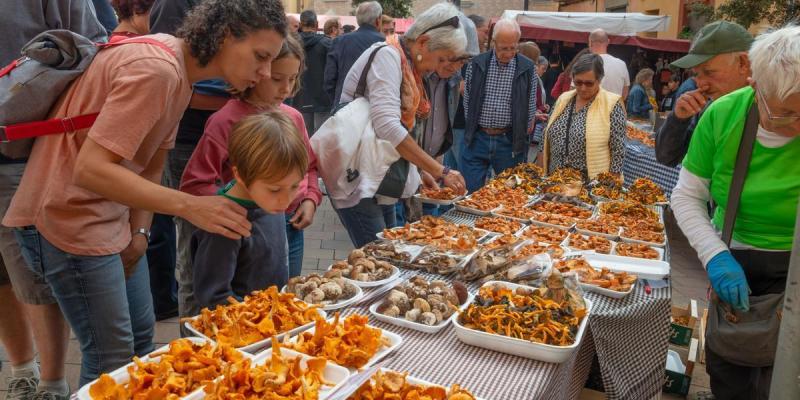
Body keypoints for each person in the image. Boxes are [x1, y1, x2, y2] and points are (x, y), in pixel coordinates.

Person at [3, 0, 288, 386]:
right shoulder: (157, 69)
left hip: (106, 219)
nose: (266, 72)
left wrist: (140, 233)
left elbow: (153, 161)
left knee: (139, 342)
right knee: (111, 358)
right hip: (64, 219)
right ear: (225, 37)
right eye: (261, 56)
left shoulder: (178, 72)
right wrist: (190, 206)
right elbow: (91, 169)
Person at [670, 26, 800, 399]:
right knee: (731, 374)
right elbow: (687, 196)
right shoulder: (723, 115)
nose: (795, 125)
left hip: (793, 266)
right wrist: (715, 256)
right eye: (785, 113)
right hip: (735, 257)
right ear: (755, 86)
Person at [0, 2, 105, 399]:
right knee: (1, 276)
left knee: (34, 275)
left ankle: (52, 383)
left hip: (23, 153)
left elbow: (93, 49)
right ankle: (23, 369)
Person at [181, 34, 319, 294]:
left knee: (282, 292)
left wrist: (310, 197)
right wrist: (230, 209)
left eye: (293, 78)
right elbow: (194, 183)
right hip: (243, 231)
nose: (287, 89)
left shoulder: (294, 118)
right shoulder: (225, 122)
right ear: (256, 73)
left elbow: (309, 166)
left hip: (288, 224)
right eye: (277, 79)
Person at [329, 2, 468, 247]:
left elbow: (396, 131)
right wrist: (440, 169)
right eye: (441, 59)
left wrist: (420, 170)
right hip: (357, 178)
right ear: (423, 43)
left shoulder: (407, 66)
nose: (438, 67)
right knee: (381, 253)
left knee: (392, 249)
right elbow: (388, 127)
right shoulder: (388, 56)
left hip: (378, 176)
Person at [193, 112, 307, 310]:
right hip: (241, 332)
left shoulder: (269, 202)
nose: (286, 199)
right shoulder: (223, 223)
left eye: (294, 186)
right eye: (274, 189)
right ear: (240, 175)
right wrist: (263, 316)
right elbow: (213, 297)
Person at [655, 21, 753, 167]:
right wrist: (678, 119)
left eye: (709, 72)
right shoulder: (708, 108)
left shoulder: (776, 106)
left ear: (743, 63)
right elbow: (667, 158)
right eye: (696, 74)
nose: (701, 84)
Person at [461, 18, 537, 192]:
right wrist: (471, 126)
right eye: (504, 48)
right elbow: (468, 99)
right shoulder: (477, 63)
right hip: (478, 137)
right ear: (494, 43)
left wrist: (521, 132)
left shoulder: (527, 67)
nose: (509, 53)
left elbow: (530, 103)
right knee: (470, 191)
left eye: (513, 47)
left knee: (509, 194)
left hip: (508, 141)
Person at [415, 14, 479, 217]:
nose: (456, 66)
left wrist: (438, 170)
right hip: (406, 171)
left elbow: (441, 128)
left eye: (463, 61)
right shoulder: (415, 74)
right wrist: (432, 169)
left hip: (430, 170)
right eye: (453, 58)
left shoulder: (453, 78)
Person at [540, 53, 626, 179]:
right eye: (578, 82)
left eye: (589, 83)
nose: (583, 88)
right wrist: (541, 173)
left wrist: (609, 186)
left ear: (599, 79)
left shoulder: (612, 104)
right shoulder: (564, 99)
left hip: (590, 185)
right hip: (555, 181)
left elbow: (618, 151)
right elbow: (545, 137)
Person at [323, 1, 384, 110]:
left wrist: (337, 102)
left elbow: (329, 80)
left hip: (345, 107)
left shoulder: (339, 41)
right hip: (376, 108)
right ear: (378, 20)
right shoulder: (386, 43)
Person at [295, 10, 332, 135]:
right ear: (316, 24)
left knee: (302, 141)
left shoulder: (292, 43)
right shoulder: (327, 43)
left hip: (298, 99)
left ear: (300, 24)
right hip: (323, 100)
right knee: (321, 143)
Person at [589, 29, 630, 101]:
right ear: (608, 42)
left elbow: (574, 91)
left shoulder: (584, 63)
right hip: (614, 109)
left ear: (590, 43)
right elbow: (625, 93)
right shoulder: (621, 64)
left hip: (591, 110)